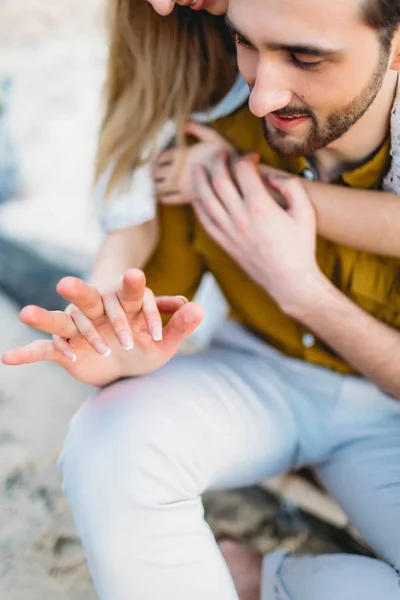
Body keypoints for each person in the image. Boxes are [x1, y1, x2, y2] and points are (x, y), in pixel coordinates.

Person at [3, 0, 400, 599]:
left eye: (305, 57)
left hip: (389, 412)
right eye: (246, 43)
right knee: (113, 438)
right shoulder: (205, 136)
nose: (262, 95)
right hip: (260, 373)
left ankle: (259, 581)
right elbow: (147, 281)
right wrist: (120, 348)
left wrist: (301, 288)